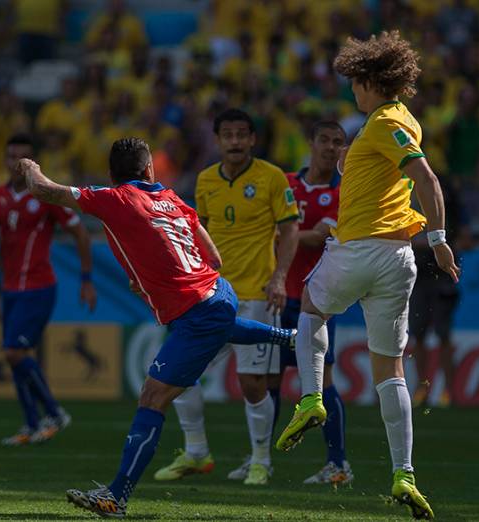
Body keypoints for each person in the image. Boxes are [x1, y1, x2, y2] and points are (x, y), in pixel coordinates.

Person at [16, 137, 294, 518]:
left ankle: (116, 496)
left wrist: (29, 165)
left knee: (152, 397)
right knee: (222, 328)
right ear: (149, 170)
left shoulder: (115, 199)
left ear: (113, 175)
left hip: (196, 311)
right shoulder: (173, 198)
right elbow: (214, 256)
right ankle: (290, 340)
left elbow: (42, 189)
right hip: (218, 292)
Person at [276, 31, 459, 520]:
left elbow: (426, 179)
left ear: (374, 81)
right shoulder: (400, 123)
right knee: (390, 367)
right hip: (398, 261)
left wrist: (440, 239)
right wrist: (349, 163)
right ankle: (404, 474)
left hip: (361, 249)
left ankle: (312, 397)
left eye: (356, 82)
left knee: (311, 309)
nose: (353, 92)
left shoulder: (384, 121)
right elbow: (391, 176)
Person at [153, 109, 299, 486]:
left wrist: (280, 278)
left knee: (252, 383)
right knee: (178, 375)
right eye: (228, 135)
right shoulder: (205, 181)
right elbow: (202, 234)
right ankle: (197, 452)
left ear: (252, 139)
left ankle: (261, 461)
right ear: (218, 140)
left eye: (241, 135)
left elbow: (290, 230)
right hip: (214, 297)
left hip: (258, 295)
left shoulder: (271, 177)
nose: (234, 142)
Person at [0, 134, 97, 446]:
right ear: (3, 160)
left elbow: (81, 233)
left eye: (23, 157)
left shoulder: (46, 195)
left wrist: (86, 279)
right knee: (16, 356)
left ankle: (55, 412)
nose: (16, 163)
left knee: (14, 352)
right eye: (11, 156)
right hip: (10, 289)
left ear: (33, 163)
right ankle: (31, 424)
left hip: (40, 286)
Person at [271, 120, 353, 485]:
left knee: (323, 381)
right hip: (276, 294)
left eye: (339, 142)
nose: (331, 148)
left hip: (318, 299)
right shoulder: (285, 183)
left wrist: (283, 234)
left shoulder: (345, 193)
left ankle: (338, 464)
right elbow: (278, 232)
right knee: (268, 378)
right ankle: (261, 458)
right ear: (311, 142)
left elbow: (319, 239)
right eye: (325, 140)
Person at [408, 178, 471, 407]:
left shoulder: (453, 210)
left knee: (443, 335)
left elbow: (466, 239)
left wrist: (449, 247)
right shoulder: (413, 207)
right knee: (419, 335)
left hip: (443, 277)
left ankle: (449, 390)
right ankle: (422, 389)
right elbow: (408, 238)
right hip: (420, 275)